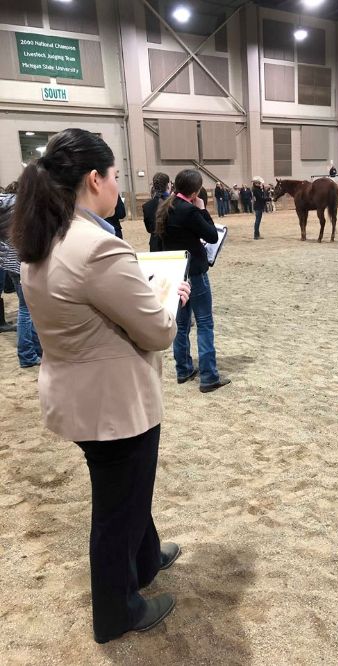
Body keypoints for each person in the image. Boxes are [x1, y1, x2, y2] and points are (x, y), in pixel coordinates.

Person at [11, 128, 190, 644]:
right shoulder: (95, 246)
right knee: (117, 508)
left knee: (128, 491)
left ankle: (148, 557)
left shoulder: (44, 234)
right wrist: (168, 300)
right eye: (114, 177)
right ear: (95, 179)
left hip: (80, 393)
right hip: (113, 402)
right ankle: (117, 611)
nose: (117, 186)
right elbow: (155, 330)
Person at [156, 169, 230, 393]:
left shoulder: (165, 208)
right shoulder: (189, 210)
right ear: (196, 191)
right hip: (195, 273)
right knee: (205, 323)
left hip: (175, 271)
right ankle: (208, 376)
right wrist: (203, 210)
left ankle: (184, 368)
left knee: (181, 324)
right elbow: (211, 235)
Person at [0, 193, 42, 367]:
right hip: (21, 263)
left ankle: (36, 350)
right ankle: (27, 355)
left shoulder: (7, 206)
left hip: (9, 263)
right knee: (27, 311)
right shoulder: (17, 205)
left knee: (28, 310)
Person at [143, 172, 170, 251]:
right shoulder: (174, 203)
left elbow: (148, 229)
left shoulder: (146, 206)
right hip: (171, 243)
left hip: (155, 244)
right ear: (168, 185)